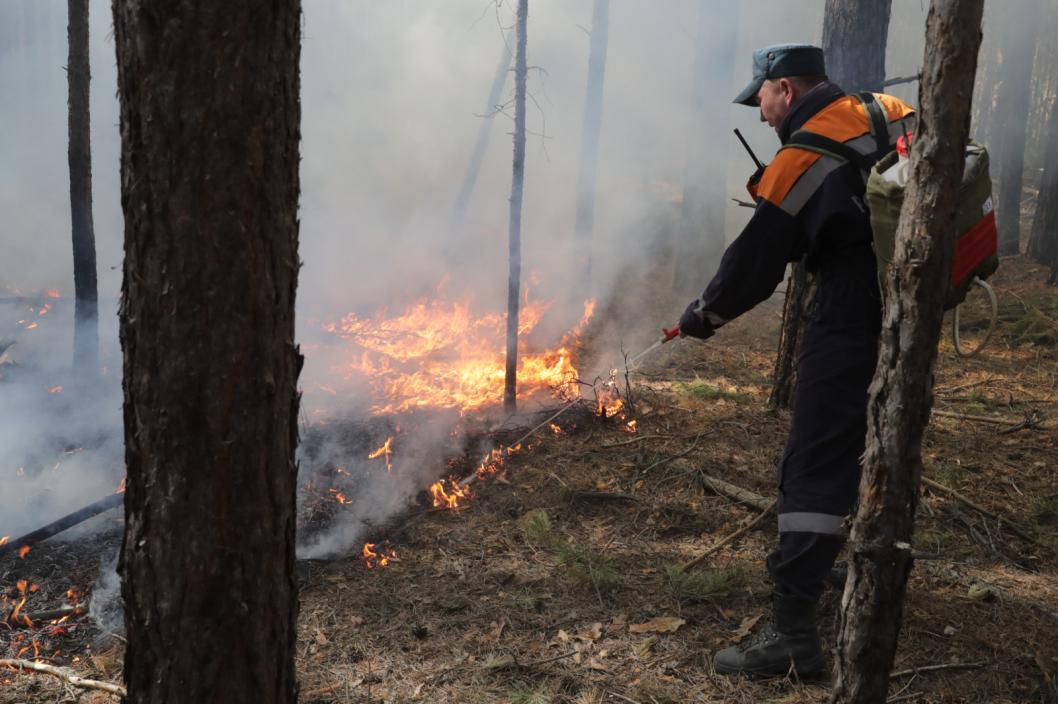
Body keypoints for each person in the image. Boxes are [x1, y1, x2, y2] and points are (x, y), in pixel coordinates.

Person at [676, 43, 915, 677]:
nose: (760, 113)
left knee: (814, 454)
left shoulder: (799, 155)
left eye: (761, 97)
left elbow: (754, 265)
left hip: (851, 303)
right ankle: (854, 556)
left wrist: (702, 317)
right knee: (875, 435)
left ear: (785, 88)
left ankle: (793, 636)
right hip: (911, 302)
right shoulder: (889, 108)